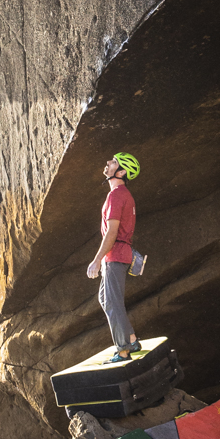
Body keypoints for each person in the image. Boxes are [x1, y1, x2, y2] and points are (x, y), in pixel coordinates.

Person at [87, 152, 141, 359]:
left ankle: (124, 350)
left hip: (115, 254)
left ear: (121, 171)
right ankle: (132, 340)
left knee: (112, 301)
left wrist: (97, 259)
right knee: (106, 299)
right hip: (119, 254)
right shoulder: (123, 194)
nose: (108, 163)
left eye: (113, 162)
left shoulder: (116, 195)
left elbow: (112, 232)